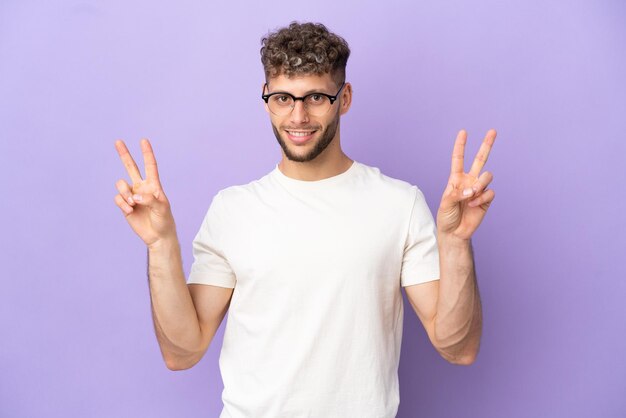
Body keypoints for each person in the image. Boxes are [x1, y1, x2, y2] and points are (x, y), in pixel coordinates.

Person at [113, 21, 496, 418]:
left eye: (315, 97)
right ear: (266, 98)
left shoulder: (399, 204)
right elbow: (182, 352)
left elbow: (459, 347)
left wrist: (455, 243)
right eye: (283, 98)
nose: (298, 116)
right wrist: (160, 245)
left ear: (343, 98)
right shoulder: (233, 210)